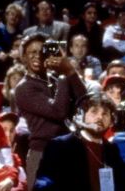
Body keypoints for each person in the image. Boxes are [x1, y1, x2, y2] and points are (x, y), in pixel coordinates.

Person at [33, 92, 125, 191]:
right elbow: (45, 181)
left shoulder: (111, 150)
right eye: (94, 111)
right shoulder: (60, 145)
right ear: (82, 116)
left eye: (105, 114)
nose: (100, 117)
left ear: (111, 121)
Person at [14, 32, 86, 190]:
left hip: (67, 151)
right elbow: (58, 111)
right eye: (32, 52)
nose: (37, 56)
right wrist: (63, 75)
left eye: (41, 51)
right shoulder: (24, 87)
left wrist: (69, 70)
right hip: (42, 153)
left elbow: (84, 100)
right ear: (24, 58)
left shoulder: (55, 79)